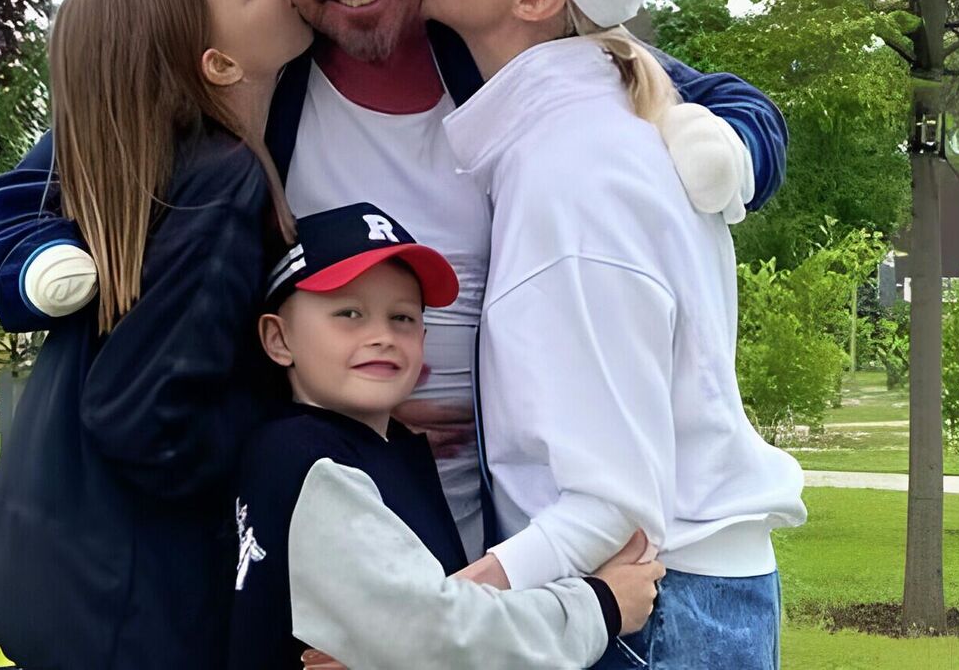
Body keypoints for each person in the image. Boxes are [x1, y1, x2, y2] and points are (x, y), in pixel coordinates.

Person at [0, 0, 791, 564]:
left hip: (512, 543)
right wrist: (37, 268)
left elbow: (723, 103)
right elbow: (25, 197)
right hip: (323, 551)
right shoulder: (252, 86)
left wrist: (722, 154)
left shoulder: (503, 56)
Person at [413, 0, 807, 668]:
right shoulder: (610, 132)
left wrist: (422, 625)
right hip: (682, 597)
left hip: (649, 612)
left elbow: (611, 508)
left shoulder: (574, 175)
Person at [0, 0, 312, 670]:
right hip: (126, 616)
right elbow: (143, 416)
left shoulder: (144, 161)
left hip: (48, 594)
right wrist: (296, 430)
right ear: (218, 63)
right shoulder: (223, 177)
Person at [228, 203, 665, 669]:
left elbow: (408, 632)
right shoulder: (309, 462)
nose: (382, 336)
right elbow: (435, 634)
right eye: (349, 313)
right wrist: (600, 605)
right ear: (278, 339)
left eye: (402, 317)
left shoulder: (375, 449)